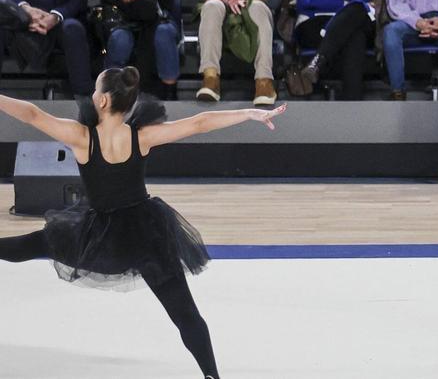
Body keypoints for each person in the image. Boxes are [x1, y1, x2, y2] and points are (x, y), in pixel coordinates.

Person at [0, 66, 288, 378]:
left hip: (101, 244)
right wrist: (249, 113)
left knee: (36, 243)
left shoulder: (81, 137)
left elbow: (31, 114)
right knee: (185, 314)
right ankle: (211, 375)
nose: (92, 95)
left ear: (104, 102)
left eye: (96, 90)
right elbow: (200, 123)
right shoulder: (142, 137)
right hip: (147, 239)